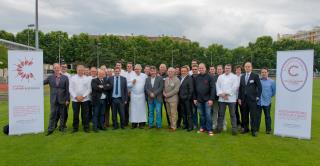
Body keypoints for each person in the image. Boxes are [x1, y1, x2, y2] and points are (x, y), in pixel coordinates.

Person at [44, 63, 70, 136]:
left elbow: (67, 89)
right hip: (53, 100)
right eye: (55, 68)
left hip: (63, 99)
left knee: (63, 114)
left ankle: (61, 127)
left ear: (60, 68)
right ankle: (50, 129)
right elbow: (42, 83)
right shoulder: (50, 77)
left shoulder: (65, 78)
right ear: (53, 69)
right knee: (52, 114)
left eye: (58, 68)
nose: (56, 69)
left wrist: (67, 99)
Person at [238, 62, 262, 137]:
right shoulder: (242, 76)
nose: (247, 68)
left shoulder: (255, 76)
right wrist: (239, 98)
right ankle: (245, 128)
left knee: (253, 116)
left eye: (249, 66)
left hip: (252, 100)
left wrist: (258, 96)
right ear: (244, 68)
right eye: (246, 66)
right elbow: (240, 88)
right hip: (244, 99)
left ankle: (254, 130)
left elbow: (260, 87)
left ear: (251, 67)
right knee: (244, 115)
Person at [215, 64, 239, 135]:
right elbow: (217, 87)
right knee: (221, 114)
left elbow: (235, 87)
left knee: (232, 114)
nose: (227, 69)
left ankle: (234, 129)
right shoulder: (220, 76)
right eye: (226, 68)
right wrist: (222, 94)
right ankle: (219, 128)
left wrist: (226, 94)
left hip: (231, 99)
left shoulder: (234, 77)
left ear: (231, 69)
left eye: (228, 68)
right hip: (222, 99)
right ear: (224, 69)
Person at [193, 63, 215, 136]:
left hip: (207, 100)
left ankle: (209, 129)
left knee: (208, 115)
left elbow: (213, 89)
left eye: (202, 68)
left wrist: (211, 99)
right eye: (200, 68)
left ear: (205, 68)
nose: (201, 69)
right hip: (199, 100)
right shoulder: (197, 77)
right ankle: (202, 128)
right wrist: (195, 98)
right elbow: (194, 89)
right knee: (201, 115)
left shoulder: (210, 77)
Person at [69, 65, 92, 133]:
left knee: (85, 114)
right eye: (79, 70)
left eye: (82, 70)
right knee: (75, 114)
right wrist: (76, 96)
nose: (80, 71)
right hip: (75, 99)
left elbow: (89, 89)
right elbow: (70, 88)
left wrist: (83, 96)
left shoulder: (87, 78)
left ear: (84, 71)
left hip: (85, 99)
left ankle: (86, 127)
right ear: (77, 70)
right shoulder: (72, 78)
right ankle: (75, 128)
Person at [257, 67, 276, 134]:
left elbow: (274, 92)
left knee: (267, 116)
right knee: (257, 117)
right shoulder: (258, 80)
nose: (264, 73)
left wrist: (268, 97)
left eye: (265, 72)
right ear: (260, 73)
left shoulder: (272, 82)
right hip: (258, 102)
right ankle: (256, 129)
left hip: (267, 102)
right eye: (262, 72)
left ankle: (268, 130)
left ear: (268, 73)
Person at [129, 64, 148, 129]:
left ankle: (141, 123)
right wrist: (132, 83)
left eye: (138, 69)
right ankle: (134, 123)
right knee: (134, 110)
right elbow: (128, 85)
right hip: (134, 95)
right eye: (136, 69)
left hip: (142, 95)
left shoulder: (144, 76)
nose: (137, 70)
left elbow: (147, 85)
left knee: (141, 110)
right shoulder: (131, 75)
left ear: (141, 69)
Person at [178, 65, 194, 131]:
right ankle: (185, 125)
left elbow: (191, 89)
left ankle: (190, 127)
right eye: (182, 71)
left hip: (187, 100)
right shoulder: (181, 78)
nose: (183, 72)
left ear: (187, 71)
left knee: (189, 114)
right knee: (183, 113)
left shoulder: (189, 78)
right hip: (181, 99)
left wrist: (188, 98)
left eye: (184, 71)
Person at [212, 65, 227, 131]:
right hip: (215, 98)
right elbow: (213, 88)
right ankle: (214, 124)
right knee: (215, 111)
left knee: (222, 112)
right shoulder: (214, 78)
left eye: (220, 69)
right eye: (218, 69)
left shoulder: (225, 77)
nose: (219, 70)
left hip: (223, 98)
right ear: (216, 70)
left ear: (222, 70)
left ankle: (224, 124)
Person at [124, 62, 135, 127]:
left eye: (130, 66)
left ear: (132, 67)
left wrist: (130, 86)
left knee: (133, 108)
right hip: (126, 94)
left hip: (133, 93)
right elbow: (124, 84)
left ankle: (134, 121)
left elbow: (135, 83)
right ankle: (126, 122)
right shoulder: (125, 74)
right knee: (125, 108)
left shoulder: (134, 74)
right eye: (128, 66)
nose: (129, 67)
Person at [191, 64, 199, 129]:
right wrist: (194, 98)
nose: (194, 70)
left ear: (198, 69)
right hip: (192, 98)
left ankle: (202, 125)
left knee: (201, 113)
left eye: (195, 69)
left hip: (200, 98)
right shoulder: (190, 77)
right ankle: (195, 124)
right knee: (194, 112)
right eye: (193, 69)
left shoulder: (200, 77)